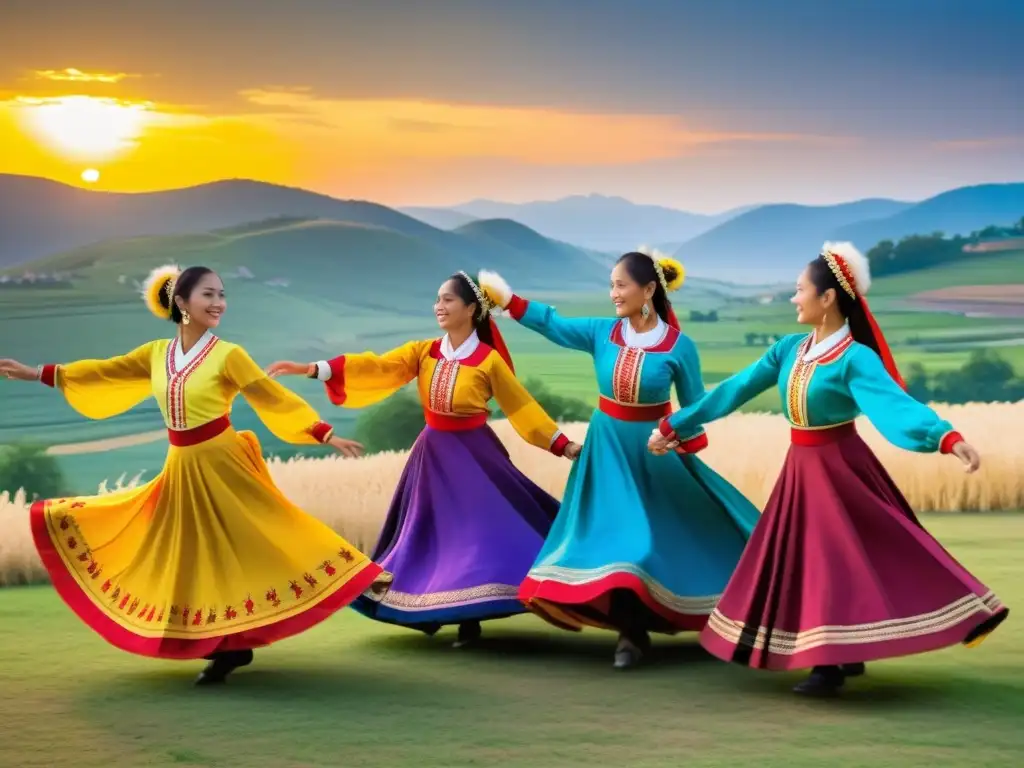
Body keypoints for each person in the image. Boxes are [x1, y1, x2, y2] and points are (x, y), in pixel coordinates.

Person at [0, 264, 391, 686]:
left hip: (223, 464)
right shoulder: (155, 354)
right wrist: (38, 373)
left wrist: (321, 432)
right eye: (208, 294)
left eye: (221, 294)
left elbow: (267, 394)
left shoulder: (228, 355)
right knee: (194, 556)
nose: (219, 303)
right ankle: (230, 646)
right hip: (181, 467)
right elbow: (105, 371)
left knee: (269, 530)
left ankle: (356, 577)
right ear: (181, 303)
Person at [649, 241, 1008, 696]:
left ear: (828, 297)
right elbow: (733, 390)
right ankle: (844, 651)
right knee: (814, 561)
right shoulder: (788, 350)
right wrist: (675, 423)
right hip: (800, 469)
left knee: (831, 561)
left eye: (800, 290)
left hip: (841, 469)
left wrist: (946, 438)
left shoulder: (855, 358)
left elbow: (895, 408)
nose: (793, 298)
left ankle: (829, 664)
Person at [266, 271, 582, 648]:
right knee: (432, 536)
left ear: (471, 309)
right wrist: (314, 369)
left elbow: (522, 408)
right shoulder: (424, 352)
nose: (439, 306)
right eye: (437, 299)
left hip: (476, 456)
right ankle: (431, 607)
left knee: (477, 534)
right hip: (432, 455)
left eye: (448, 299)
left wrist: (561, 444)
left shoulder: (488, 361)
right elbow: (377, 366)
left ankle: (469, 616)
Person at [477, 252, 761, 669]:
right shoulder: (601, 333)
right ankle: (631, 634)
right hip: (606, 455)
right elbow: (553, 325)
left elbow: (697, 405)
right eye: (611, 285)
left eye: (621, 285)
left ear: (648, 290)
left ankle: (732, 613)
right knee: (621, 545)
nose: (613, 294)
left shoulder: (679, 347)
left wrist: (676, 435)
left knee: (661, 544)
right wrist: (510, 300)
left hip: (653, 455)